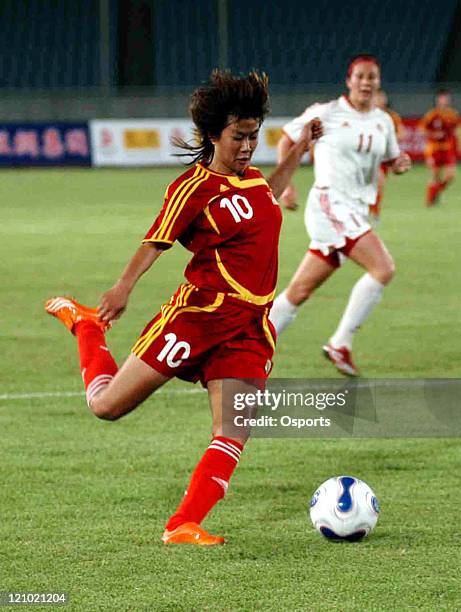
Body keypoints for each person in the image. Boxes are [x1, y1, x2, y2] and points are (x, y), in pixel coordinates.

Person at [45, 70, 318, 546]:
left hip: (248, 327)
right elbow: (157, 241)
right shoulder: (192, 189)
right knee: (107, 407)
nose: (249, 146)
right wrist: (121, 287)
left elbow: (268, 197)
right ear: (214, 135)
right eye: (239, 137)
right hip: (196, 319)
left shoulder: (251, 179)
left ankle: (183, 524)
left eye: (254, 136)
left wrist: (296, 153)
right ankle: (87, 329)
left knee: (234, 428)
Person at [269, 55, 411, 377]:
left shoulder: (383, 121)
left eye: (371, 77)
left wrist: (399, 165)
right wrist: (287, 183)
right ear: (349, 80)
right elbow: (288, 139)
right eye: (359, 76)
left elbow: (390, 159)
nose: (366, 82)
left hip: (357, 211)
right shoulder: (327, 113)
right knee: (383, 267)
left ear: (378, 82)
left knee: (299, 291)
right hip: (330, 204)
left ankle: (250, 346)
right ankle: (341, 342)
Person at [419, 89, 460, 206]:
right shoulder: (432, 114)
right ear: (437, 100)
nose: (444, 101)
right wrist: (434, 135)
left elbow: (456, 132)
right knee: (435, 175)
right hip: (434, 148)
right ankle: (429, 201)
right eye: (441, 99)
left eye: (446, 99)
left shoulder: (453, 115)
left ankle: (434, 193)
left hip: (447, 149)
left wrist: (456, 145)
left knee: (450, 176)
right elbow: (421, 130)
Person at [369, 89, 405, 221]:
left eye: (381, 97)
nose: (380, 100)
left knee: (378, 185)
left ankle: (373, 212)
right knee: (376, 182)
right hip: (367, 156)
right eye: (377, 97)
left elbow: (402, 134)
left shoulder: (391, 116)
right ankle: (371, 213)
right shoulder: (365, 115)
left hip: (383, 158)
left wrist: (389, 139)